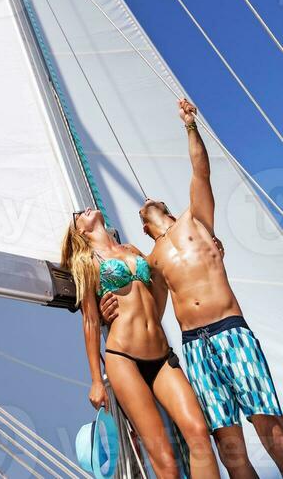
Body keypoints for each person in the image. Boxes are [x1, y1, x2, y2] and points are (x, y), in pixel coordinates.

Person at [100, 99, 283, 479]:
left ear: (164, 207)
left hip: (230, 329)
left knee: (269, 426)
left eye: (152, 202)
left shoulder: (197, 221)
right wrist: (109, 306)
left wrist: (189, 126)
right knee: (227, 443)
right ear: (143, 227)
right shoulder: (151, 263)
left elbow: (201, 171)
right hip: (194, 345)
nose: (145, 203)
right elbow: (149, 310)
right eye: (141, 210)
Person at [61, 207, 219, 479]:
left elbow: (164, 272)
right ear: (80, 232)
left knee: (199, 434)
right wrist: (96, 380)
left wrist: (206, 247)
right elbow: (89, 321)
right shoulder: (87, 261)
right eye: (78, 214)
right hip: (124, 359)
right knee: (164, 461)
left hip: (161, 356)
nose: (84, 209)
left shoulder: (132, 249)